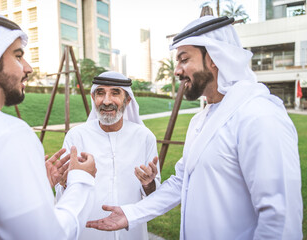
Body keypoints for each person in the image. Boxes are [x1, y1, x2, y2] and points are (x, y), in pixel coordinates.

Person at [86, 16, 303, 239]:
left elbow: (280, 219)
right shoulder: (200, 121)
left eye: (184, 59)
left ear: (214, 58)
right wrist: (130, 213)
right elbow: (181, 182)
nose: (177, 70)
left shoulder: (259, 115)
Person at [0, 12, 97, 240]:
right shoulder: (7, 134)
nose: (28, 68)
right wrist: (81, 181)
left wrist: (38, 188)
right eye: (18, 56)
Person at [55, 71, 161, 240]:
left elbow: (154, 194)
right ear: (93, 97)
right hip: (88, 231)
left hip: (131, 232)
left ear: (127, 100)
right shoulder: (76, 136)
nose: (106, 101)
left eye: (115, 93)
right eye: (101, 93)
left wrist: (149, 185)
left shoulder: (145, 137)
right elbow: (63, 191)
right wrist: (63, 183)